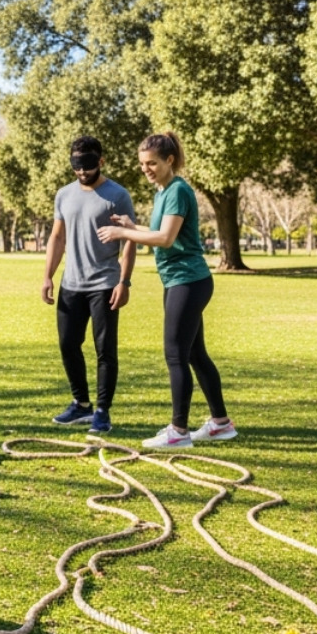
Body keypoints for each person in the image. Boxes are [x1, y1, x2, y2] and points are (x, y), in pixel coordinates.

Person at [96, 131, 234, 449]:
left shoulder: (177, 190)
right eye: (143, 163)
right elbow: (159, 231)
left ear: (169, 160)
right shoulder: (163, 192)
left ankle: (179, 431)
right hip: (179, 280)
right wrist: (133, 227)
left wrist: (120, 232)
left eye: (152, 163)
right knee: (196, 354)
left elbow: (166, 239)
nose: (146, 168)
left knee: (176, 355)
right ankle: (220, 423)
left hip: (188, 280)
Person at [42, 136, 136, 434]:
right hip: (72, 283)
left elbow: (130, 240)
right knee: (68, 344)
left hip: (105, 283)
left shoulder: (117, 195)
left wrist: (124, 281)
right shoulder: (64, 195)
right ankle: (80, 404)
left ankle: (101, 411)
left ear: (101, 161)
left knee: (104, 350)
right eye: (76, 165)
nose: (82, 171)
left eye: (88, 165)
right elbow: (57, 237)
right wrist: (48, 275)